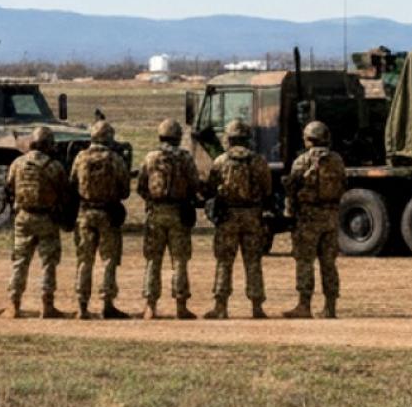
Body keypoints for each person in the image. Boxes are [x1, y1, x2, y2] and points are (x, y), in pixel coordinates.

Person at [202, 118, 272, 320]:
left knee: (224, 262)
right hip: (252, 217)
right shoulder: (258, 161)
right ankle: (257, 307)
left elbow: (210, 189)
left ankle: (221, 306)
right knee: (253, 262)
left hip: (228, 218)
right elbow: (267, 189)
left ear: (229, 139)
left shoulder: (220, 161)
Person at [281, 120, 346, 319]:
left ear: (308, 139)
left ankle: (304, 305)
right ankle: (330, 307)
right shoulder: (337, 160)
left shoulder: (302, 161)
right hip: (331, 217)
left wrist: (289, 213)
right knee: (329, 263)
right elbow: (343, 184)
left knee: (305, 262)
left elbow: (292, 190)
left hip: (308, 218)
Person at [138, 118, 200, 320]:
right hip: (179, 213)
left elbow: (141, 186)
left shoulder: (151, 157)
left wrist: (152, 200)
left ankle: (150, 306)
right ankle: (181, 306)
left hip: (155, 213)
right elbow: (194, 184)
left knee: (153, 260)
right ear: (178, 137)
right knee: (180, 260)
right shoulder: (185, 158)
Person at [70, 119, 132, 320]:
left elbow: (72, 183)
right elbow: (125, 191)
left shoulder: (80, 158)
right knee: (108, 260)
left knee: (84, 260)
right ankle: (107, 304)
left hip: (85, 214)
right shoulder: (115, 159)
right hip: (108, 214)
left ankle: (82, 305)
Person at [5, 126, 68, 319]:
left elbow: (10, 186)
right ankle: (47, 305)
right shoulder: (54, 166)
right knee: (48, 262)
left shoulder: (18, 163)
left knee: (20, 261)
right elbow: (64, 192)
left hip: (23, 217)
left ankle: (13, 304)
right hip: (47, 218)